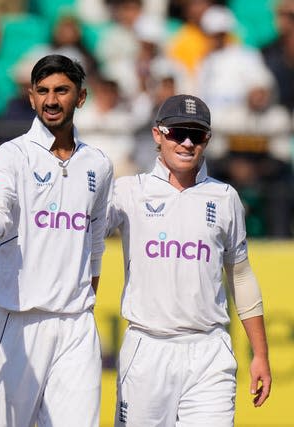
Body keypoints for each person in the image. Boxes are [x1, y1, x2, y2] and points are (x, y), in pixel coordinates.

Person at [0, 54, 113, 427]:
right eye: (43, 91)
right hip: (18, 322)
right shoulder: (13, 154)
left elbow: (95, 246)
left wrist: (81, 304)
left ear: (80, 98)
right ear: (32, 97)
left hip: (76, 327)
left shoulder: (98, 164)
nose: (52, 100)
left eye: (62, 91)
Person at [107, 94, 272, 426]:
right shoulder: (128, 192)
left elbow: (240, 276)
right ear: (158, 135)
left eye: (195, 135)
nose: (185, 142)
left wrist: (261, 355)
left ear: (207, 140)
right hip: (148, 347)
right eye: (177, 132)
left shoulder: (225, 197)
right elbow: (81, 232)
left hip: (209, 350)